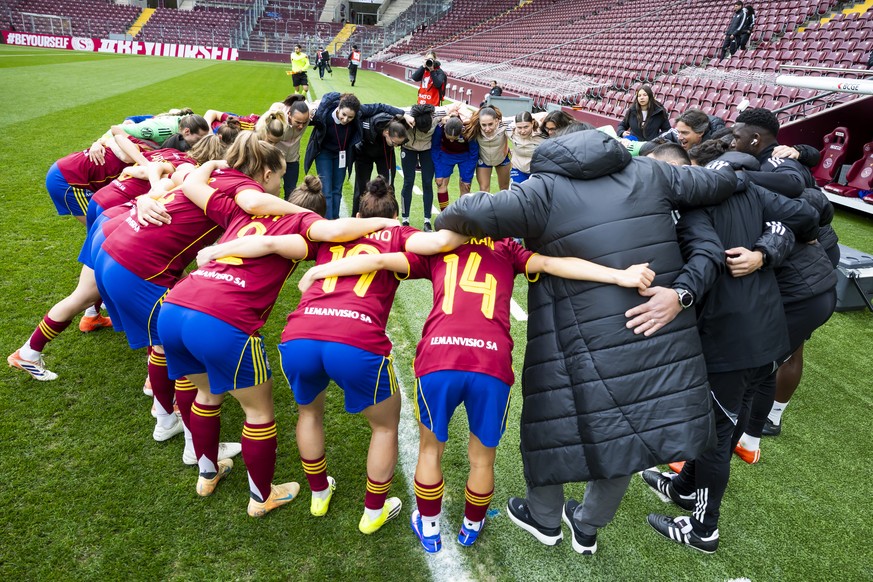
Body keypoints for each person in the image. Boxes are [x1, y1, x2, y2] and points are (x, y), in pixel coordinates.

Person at [434, 127, 741, 554]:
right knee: (625, 427)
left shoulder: (541, 190)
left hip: (569, 328)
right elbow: (723, 181)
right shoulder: (651, 172)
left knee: (553, 420)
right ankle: (588, 525)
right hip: (646, 324)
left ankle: (543, 517)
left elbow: (465, 210)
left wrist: (444, 223)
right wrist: (748, 166)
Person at [297, 234, 655, 554]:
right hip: (490, 362)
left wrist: (321, 271)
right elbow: (554, 264)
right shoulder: (508, 248)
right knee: (482, 458)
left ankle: (431, 526)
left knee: (430, 449)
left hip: (439, 358)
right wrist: (619, 275)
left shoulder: (439, 246)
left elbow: (377, 260)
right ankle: (471, 526)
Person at [195, 177, 466, 533]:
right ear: (395, 214)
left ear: (357, 212)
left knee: (309, 413)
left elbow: (270, 241)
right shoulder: (398, 234)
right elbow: (439, 241)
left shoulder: (329, 234)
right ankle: (373, 511)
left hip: (301, 336)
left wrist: (215, 251)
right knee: (384, 426)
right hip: (356, 339)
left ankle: (319, 492)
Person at [161, 171, 398, 516]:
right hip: (222, 317)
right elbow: (284, 241)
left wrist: (212, 164)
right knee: (257, 413)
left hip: (176, 306)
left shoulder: (241, 211)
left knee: (206, 393)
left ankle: (207, 473)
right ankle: (261, 497)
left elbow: (192, 185)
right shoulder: (302, 229)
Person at [635, 139, 820, 553]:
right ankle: (684, 486)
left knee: (712, 435)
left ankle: (703, 530)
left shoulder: (692, 204)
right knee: (725, 421)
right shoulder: (740, 185)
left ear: (677, 173)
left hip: (734, 338)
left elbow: (708, 258)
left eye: (649, 173)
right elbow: (806, 214)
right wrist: (767, 249)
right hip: (769, 330)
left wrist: (680, 294)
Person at [303, 92, 403, 219]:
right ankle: (327, 221)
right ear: (338, 108)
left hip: (341, 155)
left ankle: (335, 218)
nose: (345, 120)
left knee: (337, 190)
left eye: (350, 117)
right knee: (326, 190)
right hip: (324, 154)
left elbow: (380, 106)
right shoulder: (324, 113)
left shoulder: (359, 112)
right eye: (343, 115)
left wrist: (403, 114)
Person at [351, 113, 409, 216]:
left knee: (389, 186)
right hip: (364, 153)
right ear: (386, 133)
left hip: (385, 154)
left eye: (398, 144)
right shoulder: (370, 125)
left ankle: (392, 217)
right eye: (394, 142)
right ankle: (357, 217)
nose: (395, 146)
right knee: (361, 188)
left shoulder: (399, 127)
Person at [259, 94, 312, 198]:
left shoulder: (307, 114)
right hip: (275, 160)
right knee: (271, 191)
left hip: (292, 160)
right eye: (298, 122)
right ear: (289, 115)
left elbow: (319, 104)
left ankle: (288, 214)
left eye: (304, 123)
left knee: (291, 191)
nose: (301, 126)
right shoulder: (277, 120)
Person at [432, 116, 479, 211]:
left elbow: (474, 154)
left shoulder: (468, 130)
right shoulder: (439, 128)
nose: (451, 141)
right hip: (446, 154)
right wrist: (439, 173)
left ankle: (462, 215)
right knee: (441, 184)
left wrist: (467, 178)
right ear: (444, 130)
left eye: (455, 138)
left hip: (465, 156)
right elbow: (435, 149)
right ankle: (444, 214)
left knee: (465, 186)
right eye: (449, 138)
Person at [467, 107, 511, 192]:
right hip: (484, 159)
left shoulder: (505, 124)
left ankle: (503, 205)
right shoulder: (475, 127)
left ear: (496, 121)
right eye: (484, 125)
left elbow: (527, 117)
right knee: (484, 189)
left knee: (504, 188)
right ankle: (486, 205)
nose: (487, 129)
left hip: (502, 158)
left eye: (490, 124)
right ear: (479, 122)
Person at [508, 111, 544, 183]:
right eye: (519, 127)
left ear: (532, 123)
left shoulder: (543, 132)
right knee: (516, 192)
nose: (523, 131)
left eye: (526, 127)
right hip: (518, 169)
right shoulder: (509, 130)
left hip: (537, 171)